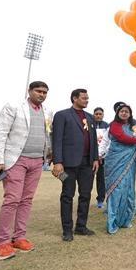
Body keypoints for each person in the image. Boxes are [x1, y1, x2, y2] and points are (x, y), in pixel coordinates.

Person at [0, 81, 53, 260]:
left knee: (26, 200)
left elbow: (48, 134)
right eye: (38, 91)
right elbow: (0, 133)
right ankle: (2, 242)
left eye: (45, 92)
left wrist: (49, 154)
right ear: (29, 91)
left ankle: (19, 237)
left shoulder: (48, 112)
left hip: (38, 161)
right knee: (12, 200)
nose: (42, 95)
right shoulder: (13, 107)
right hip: (15, 160)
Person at [52, 89, 100, 242]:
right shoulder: (62, 115)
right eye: (84, 98)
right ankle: (67, 230)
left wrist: (95, 158)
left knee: (85, 195)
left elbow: (93, 140)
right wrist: (57, 162)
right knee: (67, 195)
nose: (87, 100)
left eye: (87, 98)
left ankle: (81, 226)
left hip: (87, 164)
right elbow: (56, 140)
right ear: (74, 98)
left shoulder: (90, 117)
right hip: (68, 164)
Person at [98, 102, 136, 234]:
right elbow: (122, 138)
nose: (124, 113)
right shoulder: (114, 125)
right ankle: (112, 222)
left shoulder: (133, 126)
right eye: (121, 111)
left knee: (129, 191)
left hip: (130, 162)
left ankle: (126, 220)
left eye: (126, 111)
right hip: (115, 162)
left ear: (130, 114)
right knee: (116, 190)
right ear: (117, 113)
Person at [93, 107, 109, 209]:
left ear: (103, 115)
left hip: (103, 158)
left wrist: (103, 154)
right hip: (91, 157)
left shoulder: (107, 126)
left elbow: (108, 142)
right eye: (96, 114)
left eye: (100, 114)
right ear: (93, 115)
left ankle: (100, 199)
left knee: (101, 179)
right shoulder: (89, 124)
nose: (98, 116)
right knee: (87, 179)